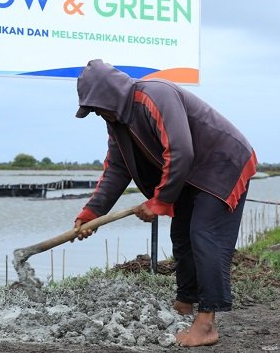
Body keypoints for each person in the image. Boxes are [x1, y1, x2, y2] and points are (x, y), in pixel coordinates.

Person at [72, 59, 258, 347]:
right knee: (182, 236)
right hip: (191, 175)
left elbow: (181, 150)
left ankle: (207, 324)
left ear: (109, 95)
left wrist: (160, 201)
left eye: (96, 107)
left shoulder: (155, 95)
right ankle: (185, 303)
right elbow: (117, 169)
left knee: (204, 234)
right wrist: (91, 213)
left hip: (222, 162)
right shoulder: (117, 123)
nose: (96, 114)